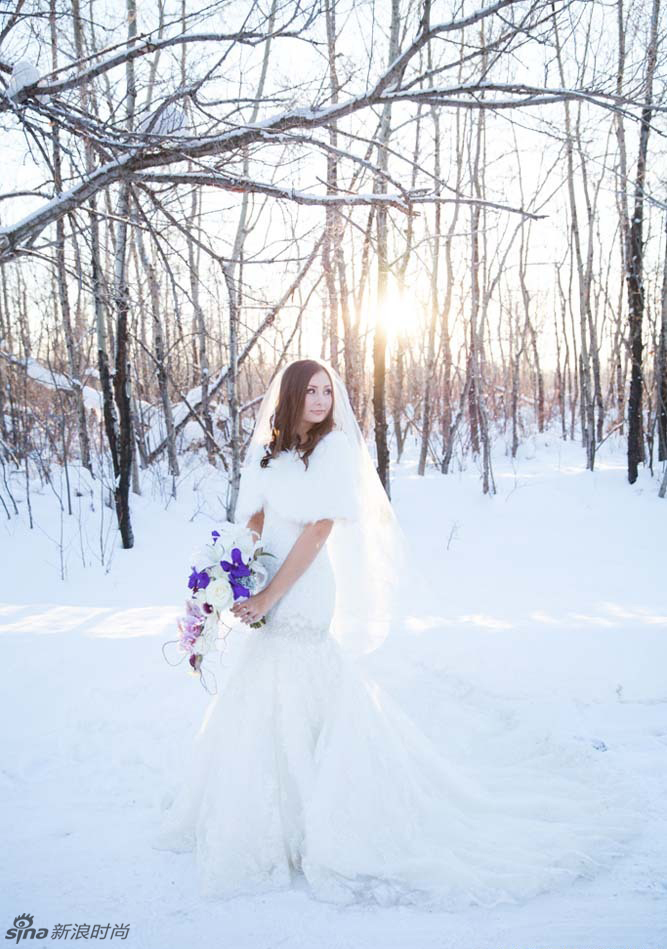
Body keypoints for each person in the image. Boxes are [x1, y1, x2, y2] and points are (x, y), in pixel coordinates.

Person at [152, 357, 639, 910]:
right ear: (289, 397)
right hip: (267, 576)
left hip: (305, 584)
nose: (320, 401)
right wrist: (227, 574)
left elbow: (317, 531)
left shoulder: (332, 451)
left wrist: (270, 594)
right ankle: (268, 814)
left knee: (301, 670)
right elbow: (256, 521)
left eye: (326, 392)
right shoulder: (271, 451)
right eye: (310, 392)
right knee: (264, 683)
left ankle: (327, 814)